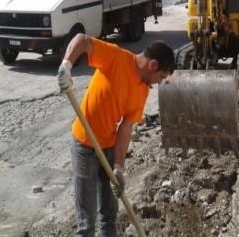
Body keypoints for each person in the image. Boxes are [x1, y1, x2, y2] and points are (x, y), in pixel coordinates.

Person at [57, 35, 175, 236]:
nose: (159, 82)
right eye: (162, 77)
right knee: (86, 221)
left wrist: (119, 167)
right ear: (153, 65)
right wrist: (66, 65)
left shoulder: (142, 90)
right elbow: (82, 40)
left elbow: (126, 128)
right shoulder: (116, 58)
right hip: (84, 145)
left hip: (109, 148)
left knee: (109, 215)